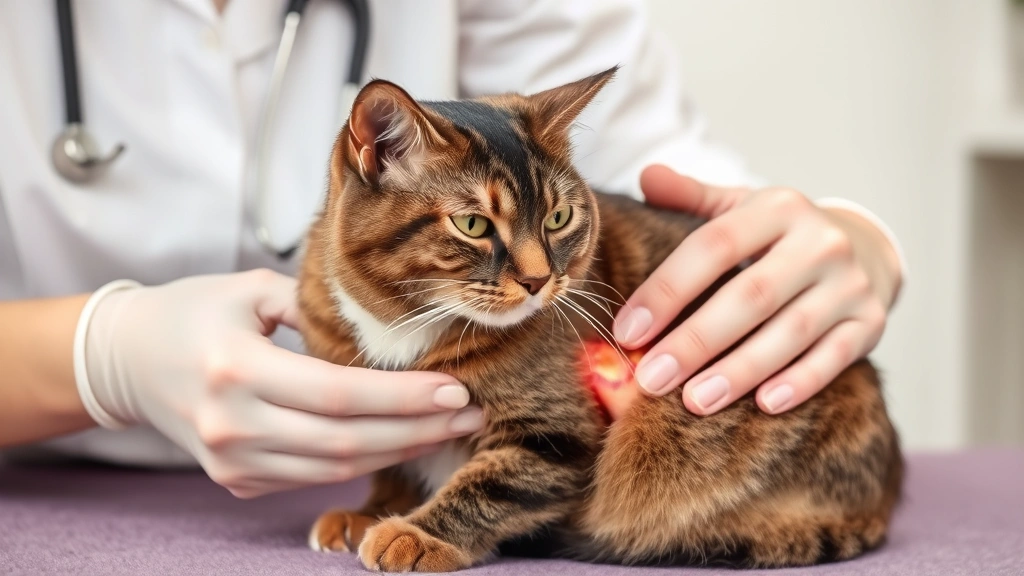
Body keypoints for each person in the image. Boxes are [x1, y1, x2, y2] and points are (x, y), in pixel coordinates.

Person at [0, 0, 904, 498]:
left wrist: (852, 239)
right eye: (477, 228)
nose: (535, 276)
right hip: (45, 483)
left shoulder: (533, 255)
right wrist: (96, 359)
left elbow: (664, 170)